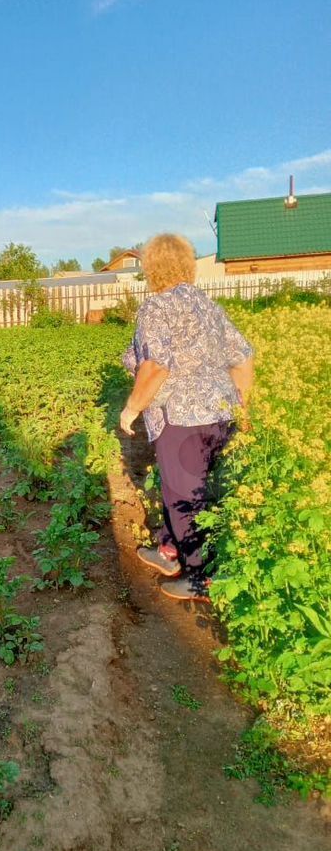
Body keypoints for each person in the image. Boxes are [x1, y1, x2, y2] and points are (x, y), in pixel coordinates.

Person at [119, 234, 254, 602]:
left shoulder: (156, 308)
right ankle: (168, 550)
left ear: (152, 267)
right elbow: (242, 357)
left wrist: (132, 408)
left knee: (184, 496)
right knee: (184, 487)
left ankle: (199, 579)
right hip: (219, 416)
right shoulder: (208, 306)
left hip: (183, 419)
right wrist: (243, 406)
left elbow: (157, 365)